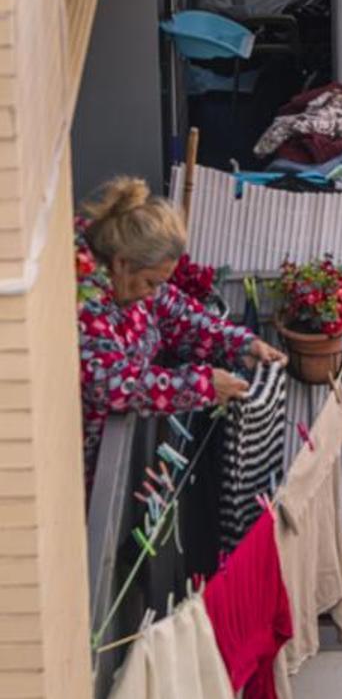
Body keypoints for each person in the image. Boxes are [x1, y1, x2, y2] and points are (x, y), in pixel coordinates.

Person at [76, 177, 286, 492]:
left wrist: (242, 344)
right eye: (151, 282)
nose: (154, 293)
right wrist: (202, 384)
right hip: (79, 471)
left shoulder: (137, 286)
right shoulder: (86, 305)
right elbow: (109, 383)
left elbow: (183, 316)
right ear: (121, 263)